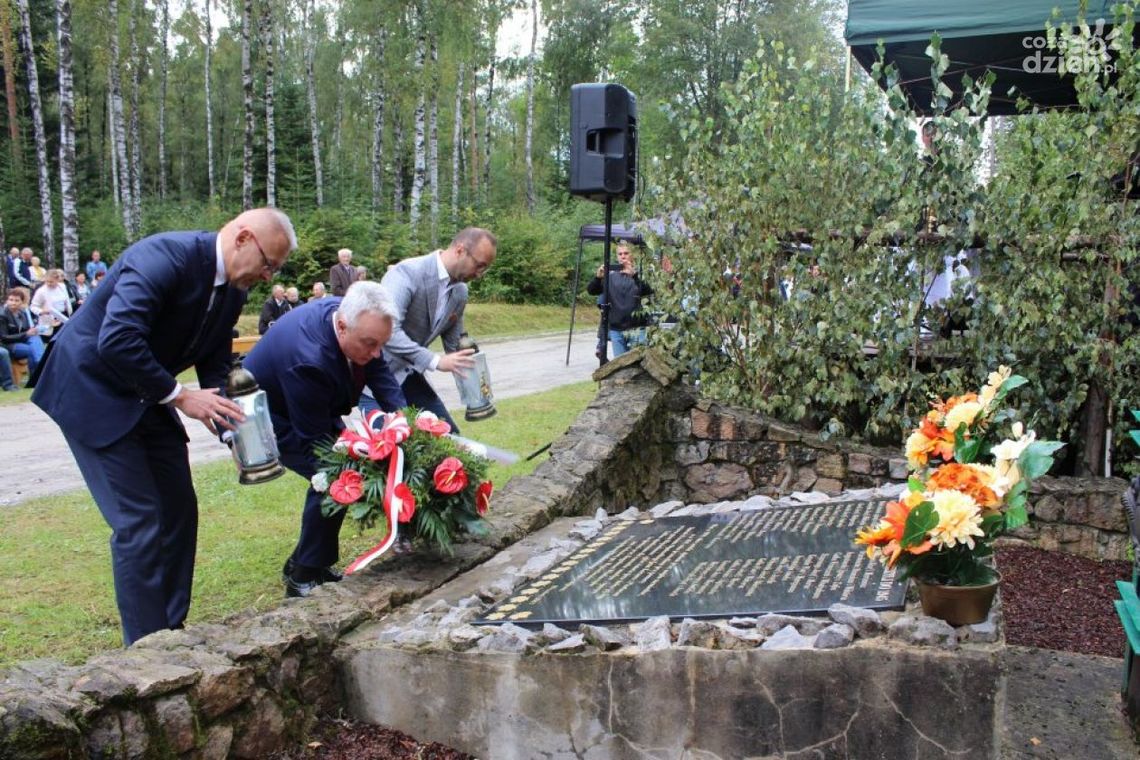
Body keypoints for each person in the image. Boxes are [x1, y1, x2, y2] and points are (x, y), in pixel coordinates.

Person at [30, 208, 298, 645]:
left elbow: (213, 364)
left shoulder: (233, 290)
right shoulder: (163, 256)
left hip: (144, 390)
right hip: (91, 388)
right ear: (244, 238)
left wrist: (233, 430)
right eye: (269, 263)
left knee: (178, 510)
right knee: (139, 521)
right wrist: (180, 396)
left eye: (276, 269)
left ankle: (170, 633)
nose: (269, 276)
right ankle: (146, 651)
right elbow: (116, 338)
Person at [242, 281, 406, 598]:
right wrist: (351, 462)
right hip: (266, 416)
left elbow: (379, 372)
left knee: (341, 476)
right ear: (342, 327)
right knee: (336, 478)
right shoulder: (308, 357)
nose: (375, 353)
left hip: (305, 401)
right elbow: (315, 442)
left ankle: (303, 563)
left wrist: (404, 420)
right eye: (369, 344)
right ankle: (302, 577)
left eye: (380, 345)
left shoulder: (354, 318)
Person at [374, 227, 496, 433]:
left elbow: (455, 348)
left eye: (485, 269)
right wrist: (436, 362)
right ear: (460, 250)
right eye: (479, 265)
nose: (480, 274)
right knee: (398, 448)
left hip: (409, 375)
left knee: (451, 438)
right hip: (375, 378)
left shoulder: (460, 291)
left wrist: (478, 386)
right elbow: (387, 331)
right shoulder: (407, 273)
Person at [587, 243, 654, 357]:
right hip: (616, 329)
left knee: (639, 365)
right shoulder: (611, 275)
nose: (623, 256)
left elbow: (648, 291)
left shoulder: (642, 273)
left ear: (632, 255)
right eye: (620, 254)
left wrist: (634, 275)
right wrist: (598, 278)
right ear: (617, 256)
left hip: (637, 328)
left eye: (626, 253)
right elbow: (592, 291)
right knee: (620, 365)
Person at [0, 288, 45, 375]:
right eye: (11, 300)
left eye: (17, 300)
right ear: (7, 301)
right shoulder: (2, 315)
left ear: (21, 302)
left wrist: (33, 331)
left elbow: (26, 329)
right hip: (7, 344)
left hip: (20, 340)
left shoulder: (22, 313)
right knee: (32, 350)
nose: (13, 302)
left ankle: (40, 363)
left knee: (35, 337)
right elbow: (3, 337)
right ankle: (37, 373)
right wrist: (26, 333)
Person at [30, 269, 73, 336]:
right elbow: (33, 306)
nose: (48, 283)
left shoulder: (62, 286)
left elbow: (66, 300)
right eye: (47, 281)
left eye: (51, 282)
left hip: (64, 315)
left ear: (57, 279)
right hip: (50, 318)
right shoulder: (41, 291)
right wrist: (42, 311)